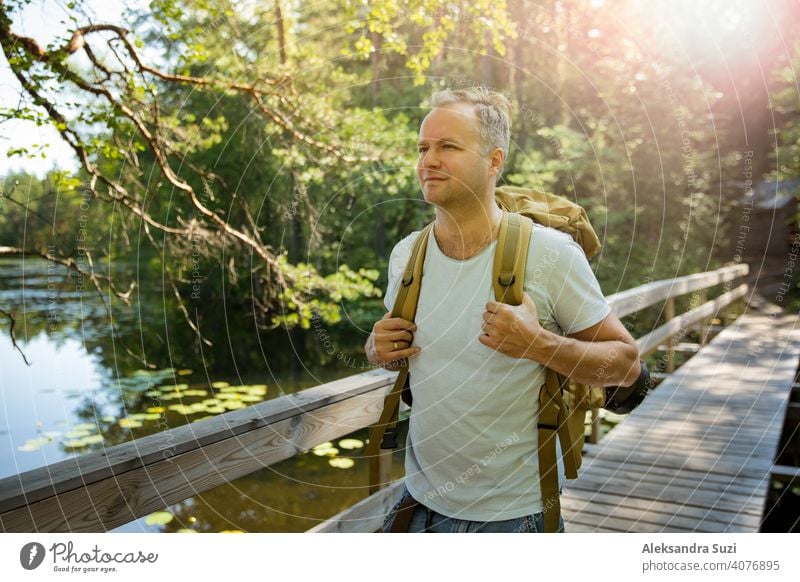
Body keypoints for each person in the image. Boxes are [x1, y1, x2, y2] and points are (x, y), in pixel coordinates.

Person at [364, 87, 640, 533]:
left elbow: (626, 364)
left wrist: (537, 343)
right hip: (417, 503)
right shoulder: (406, 256)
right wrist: (375, 347)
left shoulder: (550, 255)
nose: (428, 160)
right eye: (423, 147)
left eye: (448, 147)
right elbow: (395, 351)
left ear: (494, 161)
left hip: (513, 518)